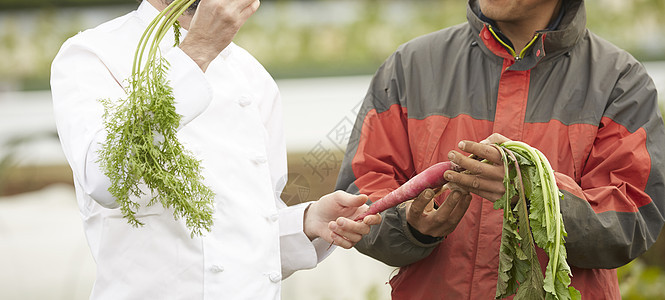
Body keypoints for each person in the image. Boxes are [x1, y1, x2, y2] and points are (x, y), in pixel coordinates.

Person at [50, 0, 380, 298]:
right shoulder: (92, 54)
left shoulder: (253, 77)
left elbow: (240, 237)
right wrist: (196, 53)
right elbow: (105, 176)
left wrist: (306, 223)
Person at [335, 0, 665, 299]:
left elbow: (631, 220)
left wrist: (539, 195)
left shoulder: (621, 82)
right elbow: (360, 193)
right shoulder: (409, 67)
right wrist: (410, 226)